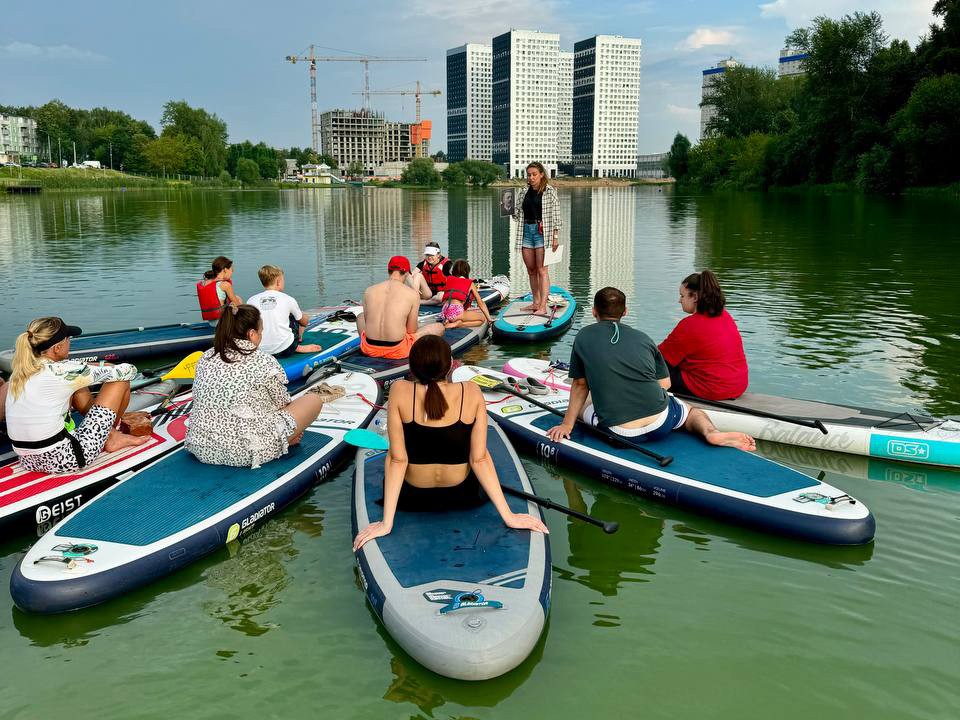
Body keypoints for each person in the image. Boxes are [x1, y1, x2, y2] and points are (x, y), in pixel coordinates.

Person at [353, 335, 548, 550]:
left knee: (395, 454)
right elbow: (479, 458)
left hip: (413, 498)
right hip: (463, 496)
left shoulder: (400, 390)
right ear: (449, 366)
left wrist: (386, 523)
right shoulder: (471, 391)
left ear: (412, 367)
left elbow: (398, 460)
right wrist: (509, 516)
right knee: (483, 453)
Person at [546, 287, 755, 451]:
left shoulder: (584, 336)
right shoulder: (644, 339)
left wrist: (566, 425)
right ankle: (711, 432)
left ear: (594, 312)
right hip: (661, 423)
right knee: (691, 412)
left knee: (588, 402)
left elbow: (580, 384)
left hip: (619, 432)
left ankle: (578, 419)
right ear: (625, 312)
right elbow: (665, 384)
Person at [185, 305, 342, 469]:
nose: (261, 336)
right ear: (251, 334)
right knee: (313, 400)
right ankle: (284, 440)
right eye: (261, 331)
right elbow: (282, 404)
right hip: (245, 452)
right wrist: (289, 432)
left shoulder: (206, 357)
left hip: (201, 447)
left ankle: (284, 437)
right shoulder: (263, 360)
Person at [4, 317, 148, 474]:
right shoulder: (63, 372)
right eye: (68, 339)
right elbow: (128, 370)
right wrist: (100, 366)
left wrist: (83, 368)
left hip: (27, 461)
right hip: (67, 459)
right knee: (120, 381)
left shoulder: (20, 372)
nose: (70, 342)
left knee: (76, 387)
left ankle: (110, 435)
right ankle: (112, 437)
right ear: (57, 348)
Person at [658, 270, 749, 401]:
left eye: (682, 296)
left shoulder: (690, 324)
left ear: (694, 297)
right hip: (738, 385)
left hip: (711, 388)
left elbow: (659, 359)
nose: (679, 300)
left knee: (654, 369)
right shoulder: (725, 316)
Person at [356, 256, 443, 360]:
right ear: (406, 273)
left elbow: (367, 320)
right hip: (398, 350)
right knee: (439, 328)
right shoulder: (412, 294)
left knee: (360, 317)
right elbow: (411, 331)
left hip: (369, 348)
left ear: (388, 271)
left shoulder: (369, 290)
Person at [513, 162, 562, 315]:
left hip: (543, 233)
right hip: (526, 231)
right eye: (529, 175)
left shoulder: (549, 191)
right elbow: (516, 215)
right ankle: (535, 303)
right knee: (531, 270)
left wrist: (555, 237)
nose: (531, 177)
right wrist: (506, 207)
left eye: (534, 174)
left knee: (542, 270)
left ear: (541, 174)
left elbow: (556, 216)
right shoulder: (523, 191)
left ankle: (543, 306)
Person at [247, 265, 321, 358]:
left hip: (260, 350)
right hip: (287, 350)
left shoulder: (251, 300)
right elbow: (304, 322)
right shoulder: (288, 299)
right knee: (297, 315)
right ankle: (297, 345)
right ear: (278, 282)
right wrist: (304, 316)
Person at [438, 259, 492, 329]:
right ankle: (458, 324)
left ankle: (451, 320)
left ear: (454, 270)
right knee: (482, 319)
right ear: (467, 271)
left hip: (444, 311)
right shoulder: (470, 283)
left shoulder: (448, 279)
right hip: (456, 312)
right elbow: (480, 303)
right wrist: (489, 319)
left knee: (461, 313)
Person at [196, 256, 243, 324]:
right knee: (238, 299)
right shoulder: (225, 285)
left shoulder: (205, 282)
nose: (232, 273)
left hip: (211, 322)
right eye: (232, 270)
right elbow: (238, 305)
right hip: (222, 323)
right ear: (225, 270)